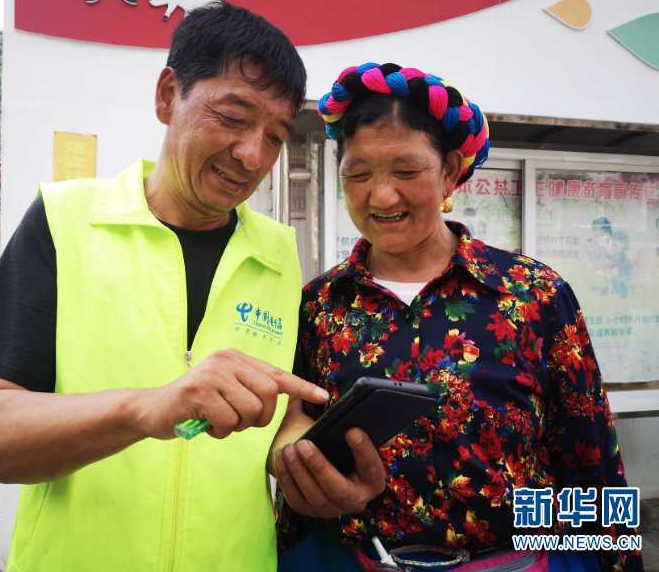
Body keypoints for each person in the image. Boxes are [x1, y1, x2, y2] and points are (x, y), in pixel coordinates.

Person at [0, 2, 336, 572]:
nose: (252, 155)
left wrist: (299, 459)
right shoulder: (66, 220)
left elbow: (281, 417)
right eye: (232, 117)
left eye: (276, 137)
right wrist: (148, 408)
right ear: (167, 95)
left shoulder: (279, 253)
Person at [271, 62, 642, 571]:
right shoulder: (319, 305)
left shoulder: (534, 294)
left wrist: (617, 560)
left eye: (406, 171)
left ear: (449, 171)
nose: (381, 195)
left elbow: (591, 459)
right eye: (358, 174)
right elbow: (295, 443)